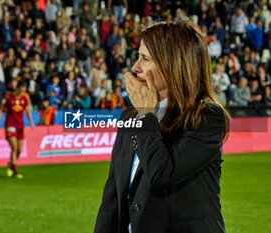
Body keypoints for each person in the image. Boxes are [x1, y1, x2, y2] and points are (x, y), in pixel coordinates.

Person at [94, 20, 230, 233]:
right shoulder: (129, 116)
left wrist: (146, 114)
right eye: (138, 56)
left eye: (145, 59)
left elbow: (161, 173)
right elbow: (112, 199)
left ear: (173, 64)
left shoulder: (207, 117)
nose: (135, 67)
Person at [0, 81, 34, 178]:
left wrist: (31, 122)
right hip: (10, 125)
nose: (22, 93)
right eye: (21, 90)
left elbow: (27, 110)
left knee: (19, 150)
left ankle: (11, 164)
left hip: (20, 126)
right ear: (17, 88)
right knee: (14, 148)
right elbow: (1, 109)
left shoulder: (24, 98)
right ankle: (15, 171)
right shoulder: (8, 97)